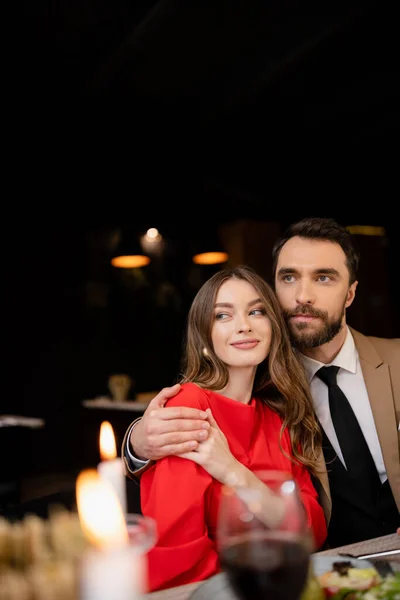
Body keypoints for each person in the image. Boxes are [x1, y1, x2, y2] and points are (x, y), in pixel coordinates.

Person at [122, 217, 400, 547]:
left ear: (350, 293)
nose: (303, 295)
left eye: (323, 278)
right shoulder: (263, 386)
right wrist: (136, 443)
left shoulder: (395, 362)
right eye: (289, 278)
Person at [140, 265, 327, 591]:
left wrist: (233, 472)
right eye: (223, 316)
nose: (244, 326)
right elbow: (176, 559)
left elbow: (311, 530)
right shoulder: (188, 407)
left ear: (273, 327)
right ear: (204, 335)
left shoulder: (277, 416)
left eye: (256, 311)